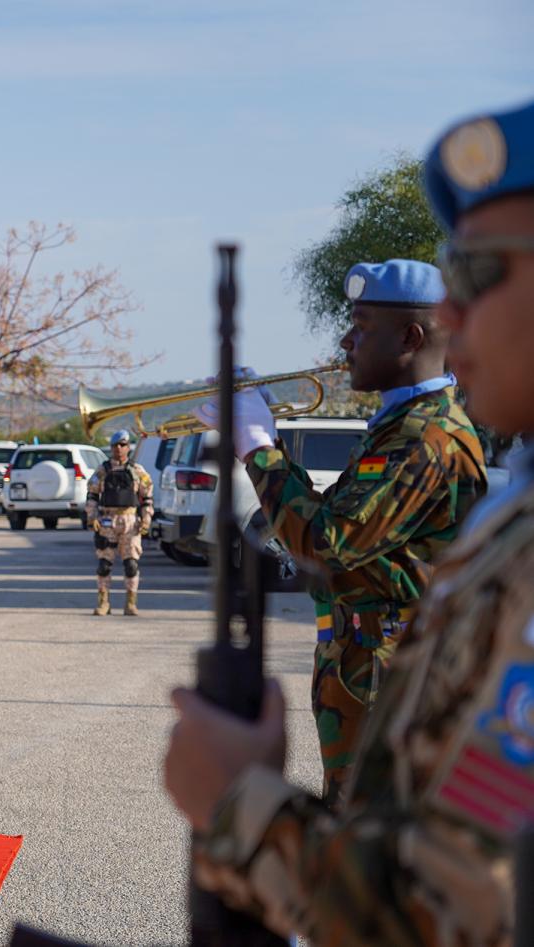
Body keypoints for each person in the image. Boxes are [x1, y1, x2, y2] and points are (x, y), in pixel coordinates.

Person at [164, 97, 534, 944]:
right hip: (358, 673)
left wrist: (242, 807)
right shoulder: (497, 502)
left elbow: (447, 904)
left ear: (410, 337)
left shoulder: (431, 437)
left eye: (482, 275)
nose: (459, 318)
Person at [196, 259, 487, 800]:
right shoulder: (399, 427)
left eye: (361, 327)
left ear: (410, 337)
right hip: (364, 661)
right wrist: (268, 444)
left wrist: (258, 449)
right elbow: (330, 521)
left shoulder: (424, 437)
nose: (346, 342)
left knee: (367, 821)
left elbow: (326, 544)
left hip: (389, 671)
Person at [85, 429, 154, 617]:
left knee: (131, 564)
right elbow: (92, 495)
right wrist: (92, 517)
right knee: (104, 564)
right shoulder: (103, 470)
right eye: (115, 445)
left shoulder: (137, 470)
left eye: (122, 445)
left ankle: (131, 603)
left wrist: (146, 519)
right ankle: (103, 602)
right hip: (107, 520)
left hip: (130, 521)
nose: (119, 448)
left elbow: (147, 497)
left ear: (128, 447)